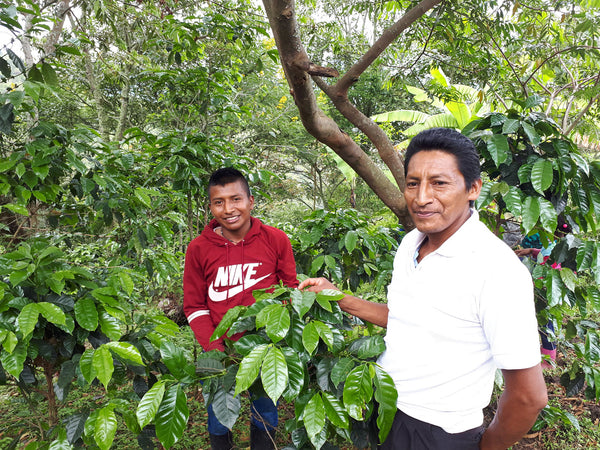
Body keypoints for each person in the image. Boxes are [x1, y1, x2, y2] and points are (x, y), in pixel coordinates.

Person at [299, 128, 548, 450]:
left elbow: (529, 396)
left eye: (439, 183)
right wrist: (337, 295)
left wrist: (486, 447)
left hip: (440, 431)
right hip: (388, 407)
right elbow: (408, 319)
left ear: (473, 188)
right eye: (413, 183)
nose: (421, 198)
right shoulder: (410, 244)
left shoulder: (496, 269)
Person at [183, 167, 298, 450]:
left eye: (236, 199)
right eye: (219, 202)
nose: (228, 209)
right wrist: (214, 349)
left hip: (264, 350)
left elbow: (290, 290)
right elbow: (195, 305)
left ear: (250, 201)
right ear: (211, 206)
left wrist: (275, 339)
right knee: (218, 417)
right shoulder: (198, 249)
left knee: (266, 412)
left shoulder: (276, 240)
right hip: (219, 355)